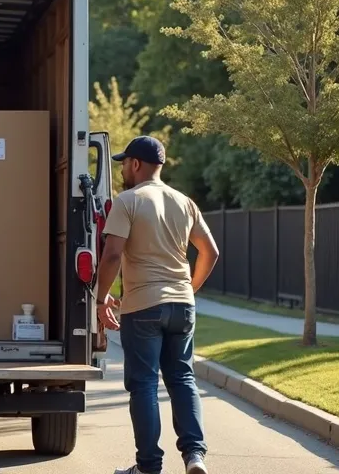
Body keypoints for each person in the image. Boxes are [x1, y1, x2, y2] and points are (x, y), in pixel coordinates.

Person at [94, 136, 219, 474]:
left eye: (123, 163)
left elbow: (113, 255)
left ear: (135, 164)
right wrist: (189, 289)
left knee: (145, 384)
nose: (122, 169)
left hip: (143, 306)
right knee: (182, 379)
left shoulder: (128, 201)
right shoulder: (185, 202)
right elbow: (210, 252)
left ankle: (148, 467)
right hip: (182, 304)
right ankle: (195, 456)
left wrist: (100, 298)